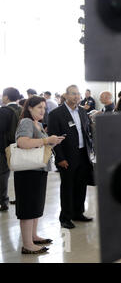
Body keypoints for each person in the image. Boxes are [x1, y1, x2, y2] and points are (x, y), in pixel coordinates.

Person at [14, 96, 64, 254]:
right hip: (27, 172)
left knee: (35, 205)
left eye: (44, 107)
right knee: (28, 207)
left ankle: (33, 236)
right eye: (39, 108)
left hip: (38, 170)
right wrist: (46, 140)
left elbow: (39, 143)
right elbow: (22, 142)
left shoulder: (39, 124)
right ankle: (27, 245)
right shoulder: (27, 122)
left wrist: (52, 141)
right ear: (29, 108)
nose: (43, 110)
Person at [48, 85, 94, 229]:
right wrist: (60, 158)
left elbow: (87, 133)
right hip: (67, 156)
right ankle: (65, 217)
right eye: (73, 94)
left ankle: (78, 213)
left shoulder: (82, 111)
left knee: (81, 185)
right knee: (68, 187)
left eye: (78, 94)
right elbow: (53, 138)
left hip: (83, 154)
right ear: (66, 95)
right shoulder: (56, 114)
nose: (77, 96)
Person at [0, 87, 22, 211]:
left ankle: (3, 201)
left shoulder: (4, 111)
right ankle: (20, 198)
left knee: (3, 174)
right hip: (20, 146)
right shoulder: (21, 109)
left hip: (4, 148)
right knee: (20, 172)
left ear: (6, 97)